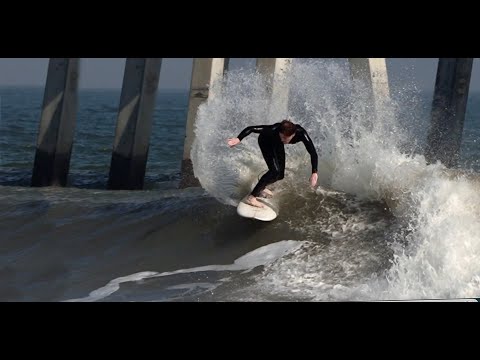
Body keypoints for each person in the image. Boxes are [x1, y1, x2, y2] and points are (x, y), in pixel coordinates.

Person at [227, 119, 318, 208]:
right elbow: (251, 128)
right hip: (265, 142)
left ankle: (262, 185)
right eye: (281, 136)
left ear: (293, 134)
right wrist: (238, 139)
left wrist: (314, 172)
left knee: (280, 175)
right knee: (274, 171)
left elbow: (313, 152)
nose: (282, 139)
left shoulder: (301, 133)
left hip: (277, 145)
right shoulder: (273, 129)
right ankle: (251, 197)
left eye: (285, 138)